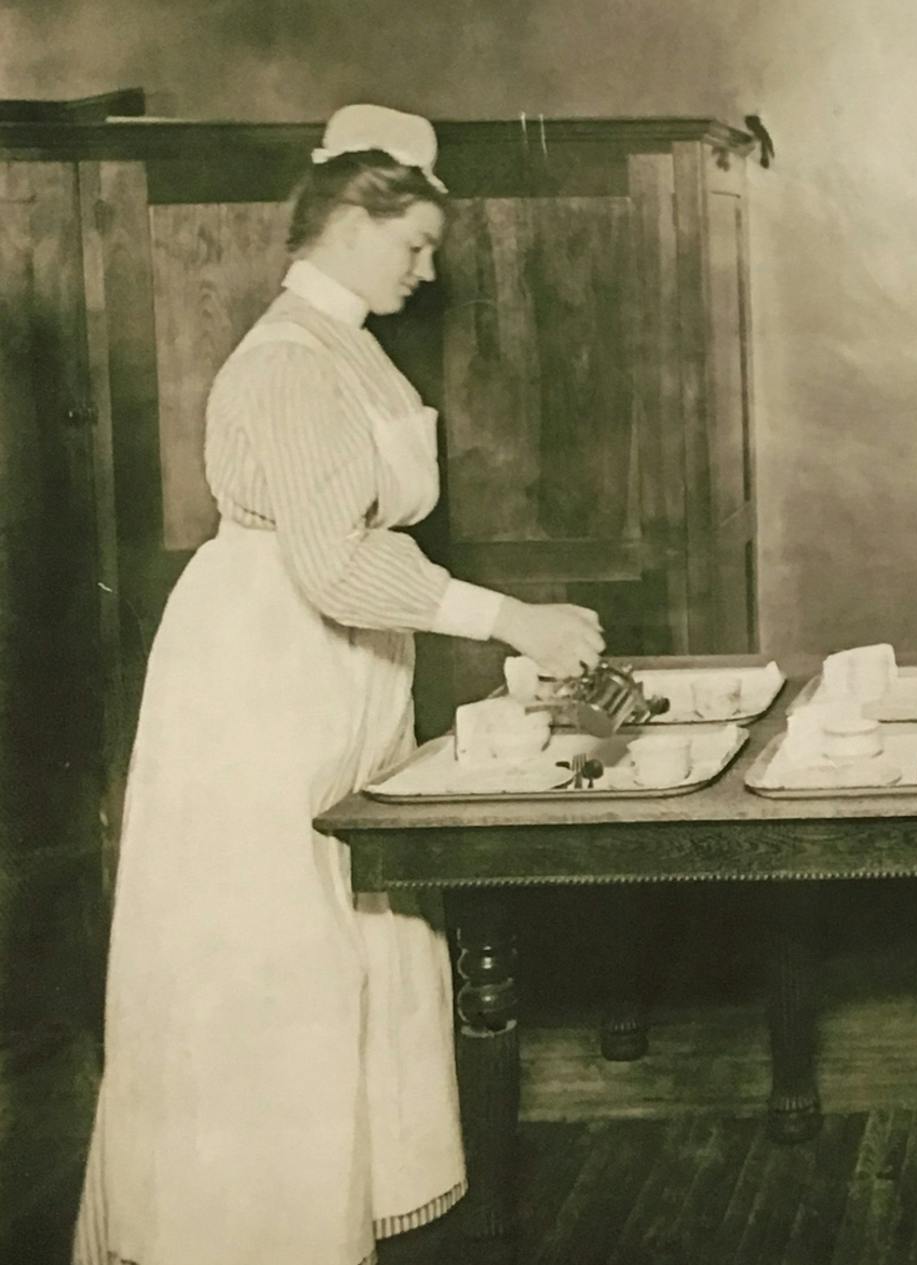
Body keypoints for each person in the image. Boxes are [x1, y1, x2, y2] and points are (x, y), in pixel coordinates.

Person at [72, 104, 605, 1264]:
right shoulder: (285, 361)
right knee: (272, 940)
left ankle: (330, 1208)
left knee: (351, 923)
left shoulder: (347, 339)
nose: (427, 268)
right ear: (352, 222)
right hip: (264, 671)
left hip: (335, 661)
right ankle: (248, 1232)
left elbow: (365, 552)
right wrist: (509, 615)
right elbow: (335, 561)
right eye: (413, 243)